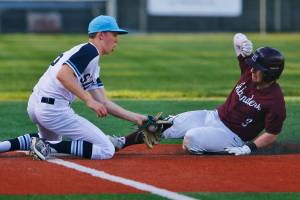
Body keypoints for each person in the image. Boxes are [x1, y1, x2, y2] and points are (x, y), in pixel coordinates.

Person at [110, 33, 286, 156]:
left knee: (192, 138)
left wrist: (250, 148)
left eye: (258, 68)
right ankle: (120, 143)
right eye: (253, 65)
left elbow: (272, 133)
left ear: (270, 73)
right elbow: (237, 39)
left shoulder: (275, 101)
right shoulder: (250, 72)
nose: (253, 69)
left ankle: (219, 152)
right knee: (167, 123)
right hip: (213, 116)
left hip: (233, 136)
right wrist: (243, 41)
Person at [0, 15, 147, 160]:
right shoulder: (90, 51)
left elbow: (104, 102)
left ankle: (5, 146)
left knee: (52, 142)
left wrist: (138, 118)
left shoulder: (89, 59)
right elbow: (63, 75)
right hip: (53, 110)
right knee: (106, 150)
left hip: (37, 105)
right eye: (114, 34)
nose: (117, 39)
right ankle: (45, 145)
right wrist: (88, 100)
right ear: (101, 35)